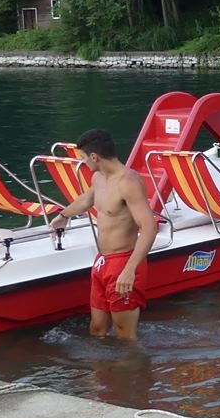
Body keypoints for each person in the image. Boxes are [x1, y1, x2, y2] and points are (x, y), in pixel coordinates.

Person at [48, 128, 159, 340]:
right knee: (97, 329)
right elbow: (85, 200)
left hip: (124, 262)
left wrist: (129, 270)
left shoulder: (129, 182)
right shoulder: (99, 177)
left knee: (124, 335)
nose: (83, 163)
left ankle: (135, 373)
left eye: (83, 158)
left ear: (94, 156)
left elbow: (149, 228)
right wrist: (63, 215)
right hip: (103, 262)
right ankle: (106, 373)